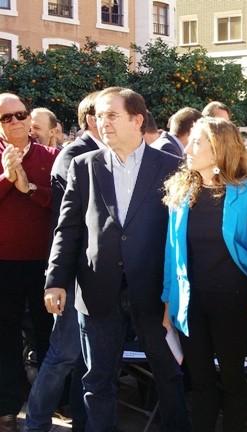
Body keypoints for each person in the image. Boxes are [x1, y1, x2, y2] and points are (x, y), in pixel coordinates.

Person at [44, 87, 189, 432]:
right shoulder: (84, 165)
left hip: (154, 292)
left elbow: (180, 231)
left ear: (137, 120)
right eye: (99, 116)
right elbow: (68, 228)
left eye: (112, 115)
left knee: (169, 374)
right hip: (97, 289)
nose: (102, 122)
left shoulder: (171, 166)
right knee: (97, 380)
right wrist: (56, 280)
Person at [162, 117, 247, 432]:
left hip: (233, 299)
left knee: (233, 378)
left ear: (218, 148)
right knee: (200, 381)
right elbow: (172, 252)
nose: (188, 149)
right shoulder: (181, 190)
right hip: (190, 302)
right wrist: (168, 302)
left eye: (197, 142)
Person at [25, 91, 105, 432]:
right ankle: (36, 423)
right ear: (92, 119)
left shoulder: (95, 153)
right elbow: (69, 222)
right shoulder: (75, 156)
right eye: (106, 115)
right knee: (64, 353)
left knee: (84, 356)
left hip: (91, 272)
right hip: (73, 272)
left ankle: (78, 420)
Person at [0, 93, 58, 432]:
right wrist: (8, 178)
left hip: (43, 263)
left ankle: (48, 404)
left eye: (20, 114)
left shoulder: (51, 155)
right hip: (3, 263)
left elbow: (61, 203)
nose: (16, 121)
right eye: (6, 118)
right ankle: (7, 406)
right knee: (5, 337)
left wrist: (29, 187)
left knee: (46, 334)